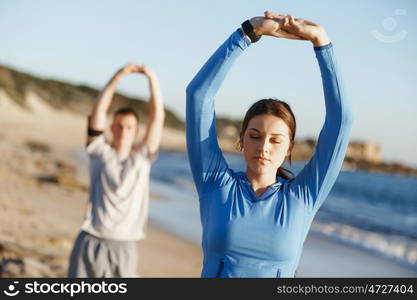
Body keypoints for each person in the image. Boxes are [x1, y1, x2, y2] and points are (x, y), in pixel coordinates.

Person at [186, 11, 353, 277]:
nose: (263, 147)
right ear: (241, 140)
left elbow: (341, 121)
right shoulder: (215, 182)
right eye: (254, 136)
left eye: (276, 140)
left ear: (289, 148)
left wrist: (321, 41)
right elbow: (198, 96)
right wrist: (247, 33)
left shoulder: (304, 196)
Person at [68, 63, 165, 277]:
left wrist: (151, 78)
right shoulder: (99, 153)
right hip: (91, 240)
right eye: (119, 126)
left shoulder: (142, 158)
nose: (123, 131)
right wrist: (119, 75)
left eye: (129, 127)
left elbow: (157, 117)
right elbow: (98, 111)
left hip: (125, 245)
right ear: (111, 127)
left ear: (137, 131)